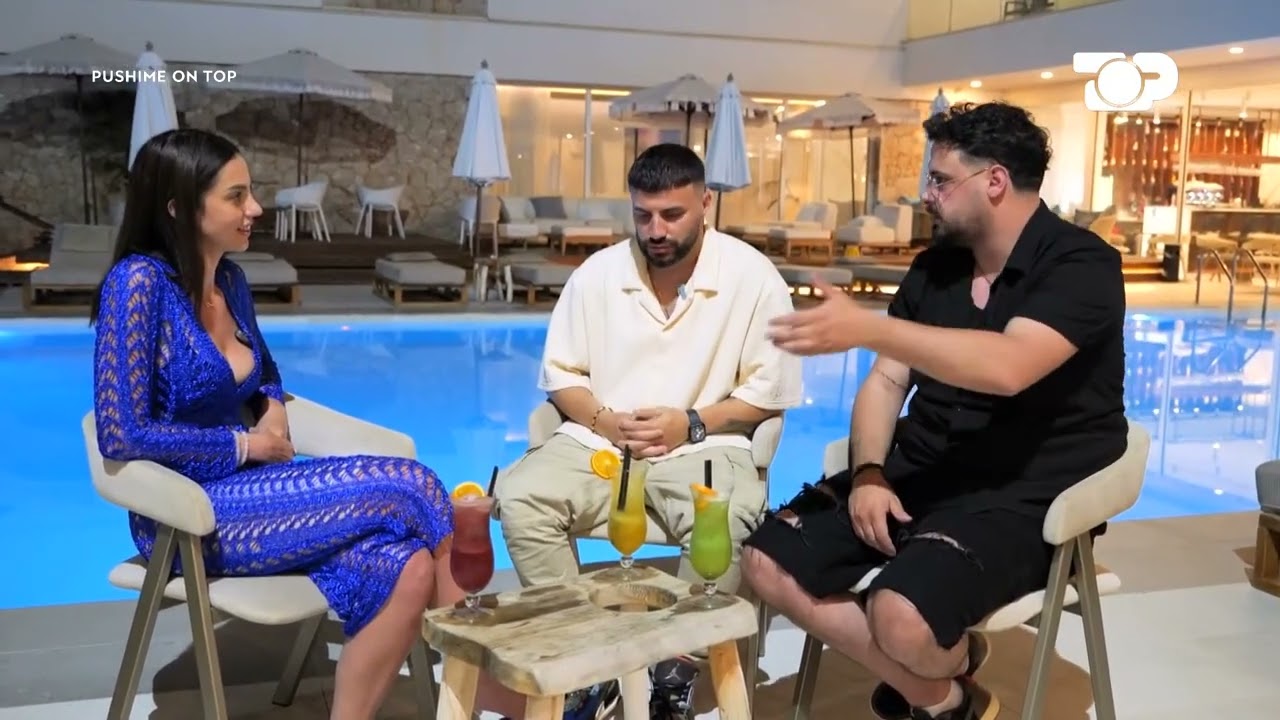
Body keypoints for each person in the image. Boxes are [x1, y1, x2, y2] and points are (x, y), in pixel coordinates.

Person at [90, 129, 611, 720]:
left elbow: (264, 371)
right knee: (415, 485)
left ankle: (460, 689)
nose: (255, 208)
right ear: (179, 207)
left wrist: (272, 403)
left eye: (250, 192)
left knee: (408, 567)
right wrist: (243, 443)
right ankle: (497, 685)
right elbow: (122, 433)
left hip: (256, 497)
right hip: (186, 515)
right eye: (236, 197)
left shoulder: (229, 280)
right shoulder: (137, 285)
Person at [743, 102, 1129, 720]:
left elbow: (1008, 366)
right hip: (922, 471)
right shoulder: (937, 267)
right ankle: (946, 695)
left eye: (941, 180)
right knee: (766, 560)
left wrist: (870, 328)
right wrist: (870, 474)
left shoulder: (1081, 265)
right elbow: (886, 382)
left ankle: (930, 659)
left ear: (995, 180)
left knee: (898, 615)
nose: (927, 195)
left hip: (1021, 494)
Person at [494, 143, 804, 716]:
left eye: (672, 214)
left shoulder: (753, 278)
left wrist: (691, 422)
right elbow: (561, 377)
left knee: (725, 518)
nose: (655, 230)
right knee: (520, 497)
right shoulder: (598, 275)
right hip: (601, 439)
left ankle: (674, 667)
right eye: (643, 215)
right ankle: (585, 656)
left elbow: (767, 393)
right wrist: (606, 422)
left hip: (706, 440)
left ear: (706, 204)